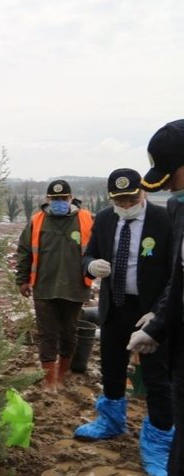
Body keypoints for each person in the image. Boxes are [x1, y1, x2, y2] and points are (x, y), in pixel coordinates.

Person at [72, 169, 174, 474]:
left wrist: (159, 312)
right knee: (112, 366)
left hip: (151, 311)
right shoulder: (104, 219)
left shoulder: (164, 220)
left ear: (143, 193)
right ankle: (111, 421)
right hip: (115, 307)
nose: (126, 204)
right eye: (120, 200)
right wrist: (91, 266)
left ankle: (159, 440)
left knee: (157, 376)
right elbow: (87, 256)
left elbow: (175, 274)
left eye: (131, 198)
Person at [128, 119, 184, 474]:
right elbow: (180, 276)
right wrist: (159, 321)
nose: (170, 190)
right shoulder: (181, 207)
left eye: (172, 176)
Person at [15, 179, 93, 392]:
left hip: (75, 287)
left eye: (62, 198)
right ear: (48, 200)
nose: (59, 202)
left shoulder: (86, 219)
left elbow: (97, 249)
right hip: (44, 287)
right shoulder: (37, 221)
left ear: (71, 198)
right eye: (54, 199)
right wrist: (22, 279)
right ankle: (50, 381)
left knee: (69, 333)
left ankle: (62, 375)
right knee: (47, 334)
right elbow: (24, 251)